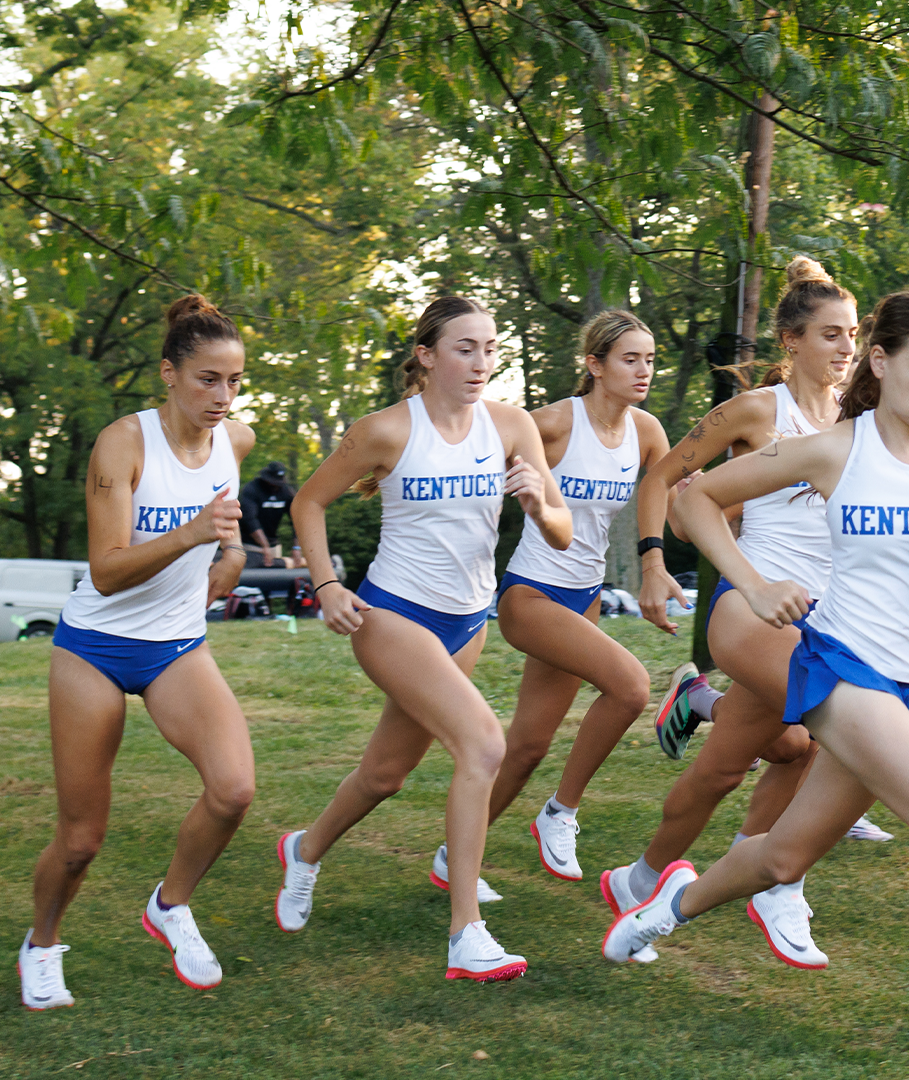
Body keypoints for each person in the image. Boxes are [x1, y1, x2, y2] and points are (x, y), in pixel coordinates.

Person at [604, 288, 909, 1080]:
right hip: (844, 670)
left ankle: (667, 907)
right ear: (880, 362)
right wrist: (751, 585)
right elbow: (694, 498)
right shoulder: (833, 449)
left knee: (783, 859)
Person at [275, 296, 571, 982]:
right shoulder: (385, 430)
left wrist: (538, 504)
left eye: (490, 349)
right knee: (484, 744)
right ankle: (467, 932)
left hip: (467, 622)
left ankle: (305, 850)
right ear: (427, 356)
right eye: (465, 348)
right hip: (392, 614)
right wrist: (326, 585)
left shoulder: (511, 425)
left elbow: (560, 533)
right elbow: (308, 501)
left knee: (385, 775)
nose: (481, 362)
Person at [606, 257, 857, 968]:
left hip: (824, 616)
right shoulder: (756, 411)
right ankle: (778, 882)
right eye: (831, 334)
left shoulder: (860, 418)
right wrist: (653, 562)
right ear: (792, 341)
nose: (846, 347)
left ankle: (640, 880)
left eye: (853, 334)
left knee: (743, 762)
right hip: (750, 610)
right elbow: (665, 479)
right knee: (841, 726)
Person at [20, 295, 257, 1008]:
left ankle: (170, 904)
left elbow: (226, 521)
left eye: (234, 381)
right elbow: (106, 569)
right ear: (169, 373)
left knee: (233, 790)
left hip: (176, 646)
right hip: (94, 648)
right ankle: (42, 944)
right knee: (81, 840)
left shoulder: (235, 441)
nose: (222, 397)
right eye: (207, 379)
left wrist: (232, 554)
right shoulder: (123, 444)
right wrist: (192, 534)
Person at [460, 311, 666, 894]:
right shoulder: (552, 425)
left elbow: (665, 489)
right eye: (630, 359)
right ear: (595, 365)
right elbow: (473, 456)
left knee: (527, 747)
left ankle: (456, 856)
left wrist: (655, 562)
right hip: (530, 593)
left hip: (586, 597)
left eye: (650, 360)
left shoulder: (646, 432)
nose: (644, 371)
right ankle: (561, 811)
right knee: (631, 687)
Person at [239, 461, 295, 567]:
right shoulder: (252, 489)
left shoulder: (286, 492)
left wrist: (296, 547)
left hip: (273, 545)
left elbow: (296, 520)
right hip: (250, 546)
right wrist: (264, 545)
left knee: (275, 572)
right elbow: (250, 519)